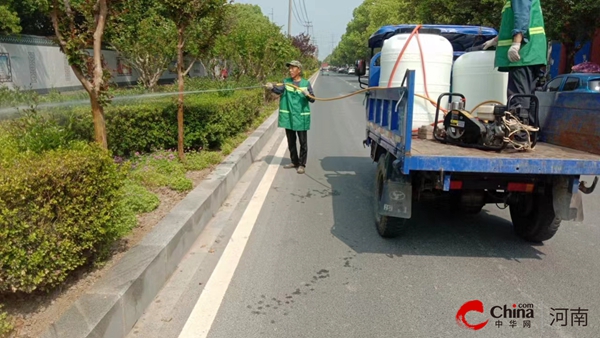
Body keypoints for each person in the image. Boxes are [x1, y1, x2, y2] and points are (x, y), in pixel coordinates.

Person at [483, 0, 547, 128]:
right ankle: (531, 134)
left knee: (519, 96)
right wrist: (496, 40)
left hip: (522, 54)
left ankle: (520, 136)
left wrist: (516, 43)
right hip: (533, 53)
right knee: (529, 96)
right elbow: (513, 21)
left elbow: (521, 16)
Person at [265, 60, 315, 174]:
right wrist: (271, 87)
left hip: (301, 117)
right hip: (290, 118)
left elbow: (312, 99)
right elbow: (279, 90)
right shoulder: (286, 82)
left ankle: (302, 164)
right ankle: (294, 161)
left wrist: (307, 94)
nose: (290, 70)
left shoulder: (305, 83)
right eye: (290, 68)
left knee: (303, 142)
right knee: (291, 141)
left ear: (299, 70)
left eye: (293, 68)